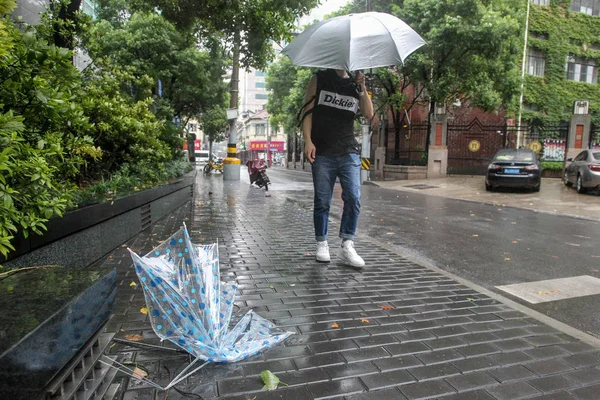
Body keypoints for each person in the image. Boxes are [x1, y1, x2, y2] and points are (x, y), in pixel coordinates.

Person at [301, 69, 374, 267]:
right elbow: (306, 113)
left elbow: (368, 114)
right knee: (322, 200)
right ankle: (322, 243)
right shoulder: (319, 78)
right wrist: (308, 141)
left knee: (353, 196)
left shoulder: (354, 83)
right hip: (322, 151)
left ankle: (347, 245)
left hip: (348, 150)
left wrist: (362, 87)